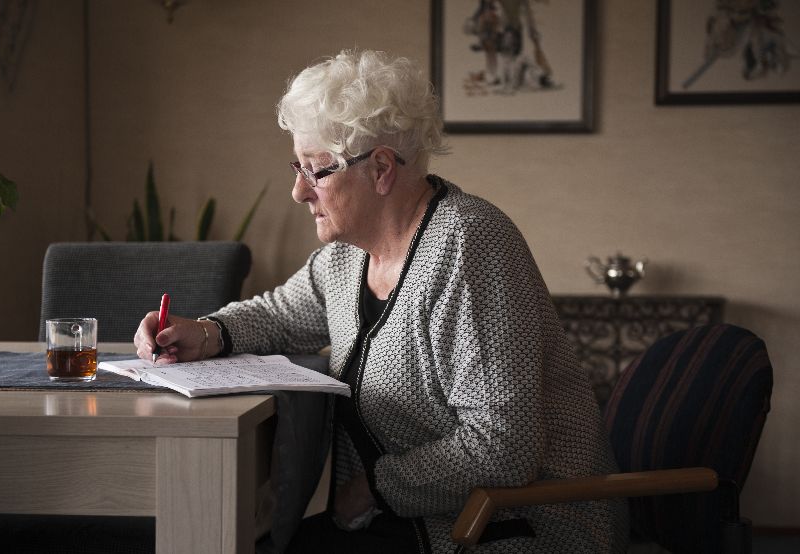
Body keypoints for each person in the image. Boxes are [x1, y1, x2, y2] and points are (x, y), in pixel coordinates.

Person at [134, 50, 628, 553]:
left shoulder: (470, 245)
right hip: (402, 518)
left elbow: (504, 447)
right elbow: (279, 315)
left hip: (507, 528)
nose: (298, 191)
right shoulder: (349, 258)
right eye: (297, 167)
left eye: (316, 170)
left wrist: (374, 489)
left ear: (382, 170)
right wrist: (207, 331)